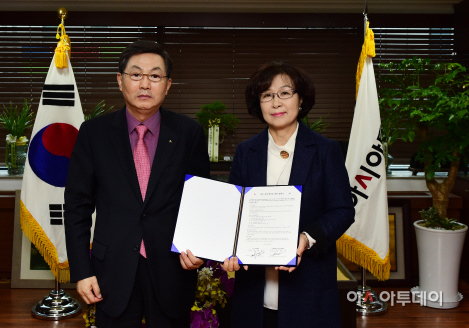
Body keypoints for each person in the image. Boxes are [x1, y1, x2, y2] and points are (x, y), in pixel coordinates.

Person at [64, 40, 210, 327]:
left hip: (172, 268)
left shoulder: (188, 132)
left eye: (155, 76)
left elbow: (201, 201)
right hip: (112, 270)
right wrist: (82, 271)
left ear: (167, 84)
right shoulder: (94, 133)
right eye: (136, 75)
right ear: (120, 81)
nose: (145, 84)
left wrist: (199, 250)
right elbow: (77, 207)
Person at [222, 60, 355, 327]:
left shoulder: (325, 150)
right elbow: (232, 211)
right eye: (267, 95)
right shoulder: (247, 152)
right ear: (258, 104)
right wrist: (230, 248)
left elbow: (342, 210)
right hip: (254, 289)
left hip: (310, 288)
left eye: (285, 93)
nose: (276, 103)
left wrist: (306, 239)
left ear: (301, 99)